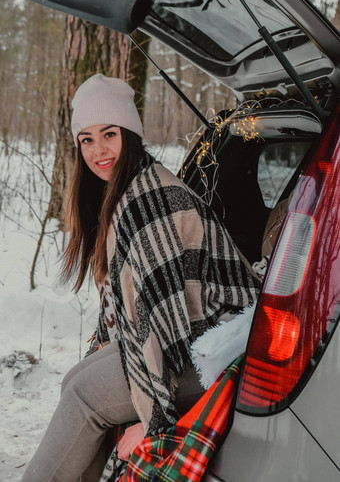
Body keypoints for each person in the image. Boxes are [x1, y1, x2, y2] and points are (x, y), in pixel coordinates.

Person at [21, 74, 260, 482]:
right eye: (87, 139)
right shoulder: (127, 188)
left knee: (83, 394)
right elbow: (133, 308)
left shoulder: (149, 201)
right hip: (190, 341)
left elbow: (164, 324)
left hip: (213, 355)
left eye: (109, 134)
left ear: (129, 133)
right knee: (76, 381)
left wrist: (151, 419)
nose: (99, 151)